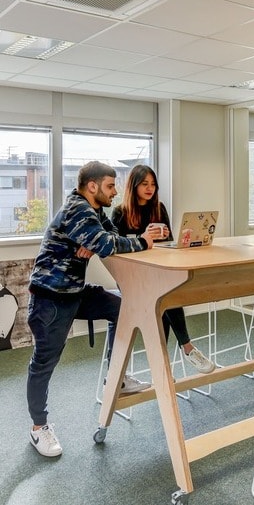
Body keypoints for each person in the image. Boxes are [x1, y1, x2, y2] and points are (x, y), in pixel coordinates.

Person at [27, 161, 156, 458]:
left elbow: (108, 237)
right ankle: (38, 428)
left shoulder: (95, 211)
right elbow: (107, 244)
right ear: (93, 187)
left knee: (122, 308)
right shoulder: (78, 208)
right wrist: (133, 241)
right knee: (44, 363)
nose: (114, 192)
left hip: (74, 293)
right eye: (110, 186)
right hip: (50, 299)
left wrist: (102, 242)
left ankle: (117, 378)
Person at [111, 165, 215, 375]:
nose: (150, 188)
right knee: (165, 296)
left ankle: (162, 365)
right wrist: (143, 236)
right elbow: (114, 246)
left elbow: (167, 245)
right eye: (144, 184)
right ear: (134, 185)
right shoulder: (120, 212)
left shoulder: (159, 208)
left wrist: (166, 237)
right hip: (131, 276)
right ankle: (187, 348)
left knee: (166, 296)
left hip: (156, 272)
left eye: (153, 184)